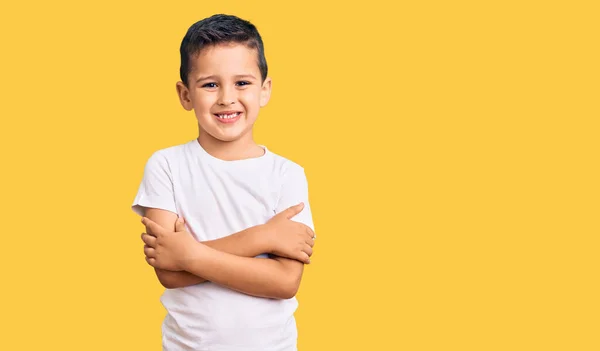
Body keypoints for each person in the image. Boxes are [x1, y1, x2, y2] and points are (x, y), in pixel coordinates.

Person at [131, 13, 317, 351]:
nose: (226, 98)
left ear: (265, 90)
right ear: (185, 95)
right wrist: (263, 237)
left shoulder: (287, 174)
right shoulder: (166, 166)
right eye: (210, 84)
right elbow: (169, 273)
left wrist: (189, 255)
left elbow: (285, 281)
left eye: (242, 83)